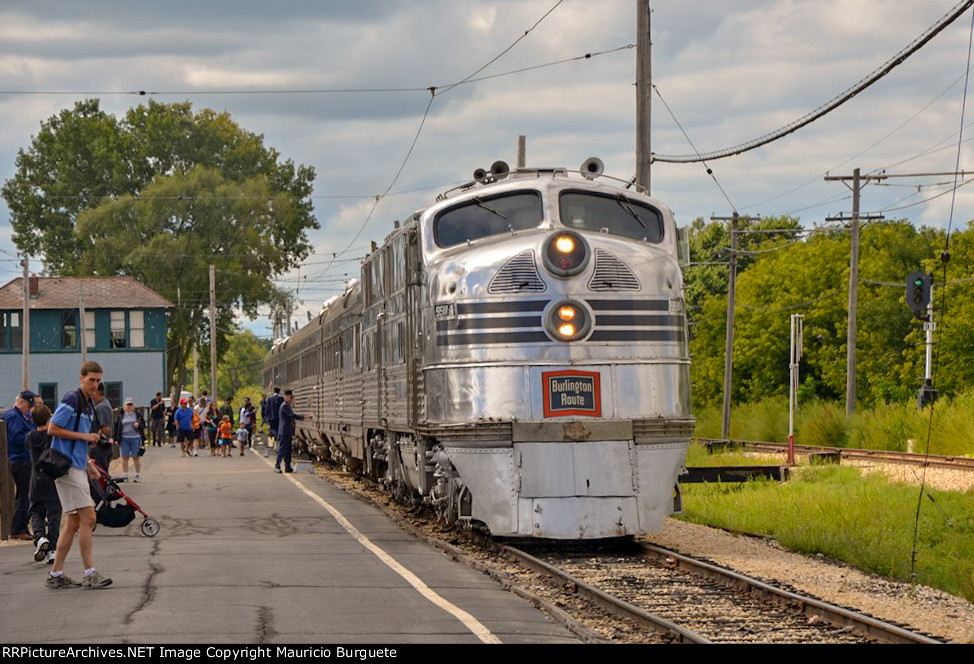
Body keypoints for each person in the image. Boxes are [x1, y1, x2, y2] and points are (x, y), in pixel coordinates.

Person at [46, 360, 112, 589]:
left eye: (98, 380)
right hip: (66, 468)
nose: (94, 384)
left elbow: (77, 437)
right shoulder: (73, 399)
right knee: (89, 518)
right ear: (81, 377)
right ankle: (89, 573)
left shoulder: (87, 404)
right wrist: (86, 438)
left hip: (75, 466)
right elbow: (52, 428)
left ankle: (55, 575)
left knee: (73, 521)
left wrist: (88, 464)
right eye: (91, 379)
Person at [26, 404, 60, 564]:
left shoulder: (30, 437)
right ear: (49, 418)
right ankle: (53, 548)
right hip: (52, 478)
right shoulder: (52, 436)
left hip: (35, 479)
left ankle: (39, 537)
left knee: (36, 511)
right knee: (54, 514)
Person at [3, 390, 38, 541]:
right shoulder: (14, 417)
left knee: (26, 494)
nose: (30, 408)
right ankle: (17, 529)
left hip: (24, 459)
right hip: (19, 459)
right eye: (29, 405)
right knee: (24, 495)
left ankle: (21, 527)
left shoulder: (21, 416)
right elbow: (15, 438)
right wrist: (33, 435)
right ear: (22, 402)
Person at [275, 390, 311, 473]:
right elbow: (292, 416)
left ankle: (287, 467)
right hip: (284, 431)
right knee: (282, 449)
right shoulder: (284, 406)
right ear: (286, 396)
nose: (292, 399)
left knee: (288, 450)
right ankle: (277, 466)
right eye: (291, 397)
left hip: (288, 431)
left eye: (292, 397)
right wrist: (305, 417)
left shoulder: (287, 405)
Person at [113, 398, 145, 482]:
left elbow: (143, 424)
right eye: (128, 405)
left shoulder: (137, 414)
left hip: (135, 437)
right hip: (124, 438)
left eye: (131, 404)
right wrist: (115, 438)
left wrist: (138, 424)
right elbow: (116, 427)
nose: (129, 406)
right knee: (125, 457)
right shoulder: (121, 414)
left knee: (136, 456)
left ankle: (137, 474)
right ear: (125, 406)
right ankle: (125, 474)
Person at [89, 383, 114, 473]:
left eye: (92, 390)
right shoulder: (99, 405)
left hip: (101, 449)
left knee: (100, 475)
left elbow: (105, 429)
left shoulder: (102, 406)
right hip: (100, 448)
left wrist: (94, 439)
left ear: (98, 391)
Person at [265, 388, 283, 453]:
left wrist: (266, 418)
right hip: (279, 418)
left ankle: (276, 436)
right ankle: (277, 443)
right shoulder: (281, 399)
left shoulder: (269, 399)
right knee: (278, 429)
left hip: (271, 418)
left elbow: (267, 409)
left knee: (272, 429)